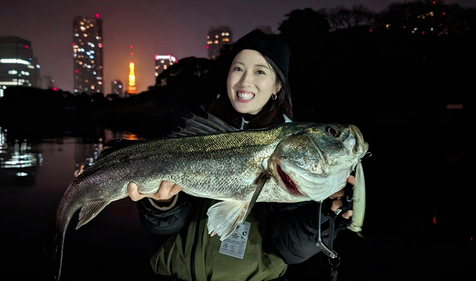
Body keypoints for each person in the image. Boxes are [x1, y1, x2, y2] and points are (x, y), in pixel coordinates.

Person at [127, 29, 354, 281]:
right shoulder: (192, 134)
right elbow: (164, 227)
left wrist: (322, 216)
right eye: (238, 68)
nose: (245, 81)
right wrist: (162, 203)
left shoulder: (295, 156)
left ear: (278, 85)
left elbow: (288, 250)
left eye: (260, 71)